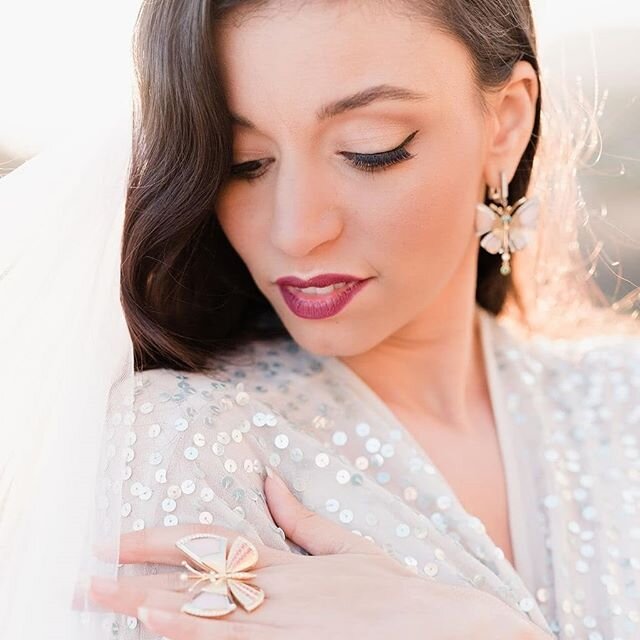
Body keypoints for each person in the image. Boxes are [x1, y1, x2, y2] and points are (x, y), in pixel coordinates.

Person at [1, 1, 639, 639]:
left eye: (370, 150)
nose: (297, 231)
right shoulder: (184, 439)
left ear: (505, 121)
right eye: (243, 161)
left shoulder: (625, 397)